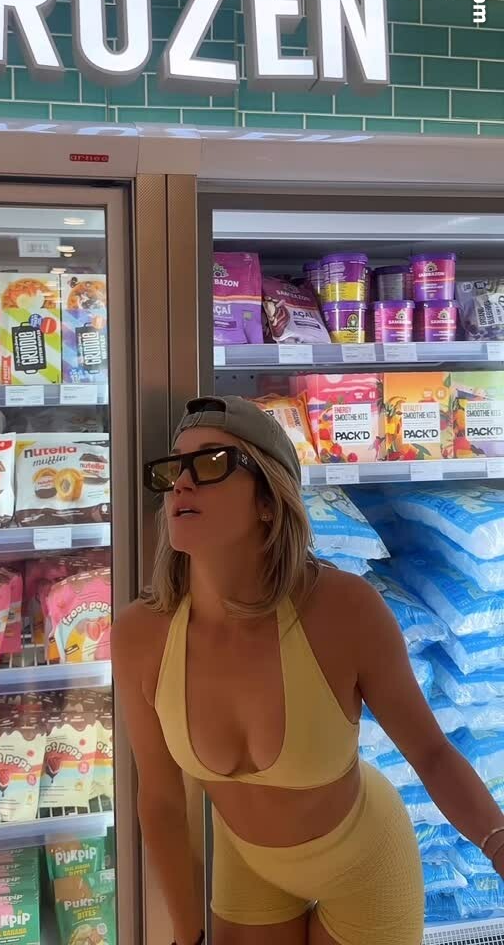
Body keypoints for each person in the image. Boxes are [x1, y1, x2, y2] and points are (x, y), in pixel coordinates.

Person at [112, 395, 504, 945]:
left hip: (365, 865)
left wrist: (498, 845)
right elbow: (160, 800)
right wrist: (185, 936)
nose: (181, 483)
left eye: (212, 463)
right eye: (173, 469)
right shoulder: (140, 634)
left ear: (269, 500)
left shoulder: (344, 611)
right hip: (248, 867)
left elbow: (432, 753)